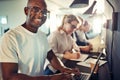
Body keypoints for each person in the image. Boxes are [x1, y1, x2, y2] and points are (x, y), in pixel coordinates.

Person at [0, 0, 80, 80]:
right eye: (36, 9)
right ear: (26, 11)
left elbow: (51, 56)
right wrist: (50, 78)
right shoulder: (10, 38)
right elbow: (9, 77)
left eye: (44, 11)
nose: (41, 14)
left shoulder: (42, 35)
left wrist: (64, 68)